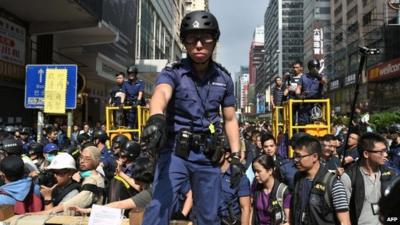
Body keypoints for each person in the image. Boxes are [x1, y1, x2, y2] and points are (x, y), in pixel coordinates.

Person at [140, 10, 243, 225]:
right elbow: (161, 93)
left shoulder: (224, 78)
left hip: (207, 155)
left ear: (214, 41)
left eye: (205, 39)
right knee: (159, 206)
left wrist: (235, 157)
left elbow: (230, 119)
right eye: (191, 38)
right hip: (175, 151)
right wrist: (157, 117)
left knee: (209, 215)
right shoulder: (174, 71)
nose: (198, 45)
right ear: (184, 42)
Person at [291, 135, 351, 225]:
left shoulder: (333, 184)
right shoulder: (298, 178)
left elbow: (345, 222)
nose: (295, 160)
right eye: (294, 156)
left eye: (299, 156)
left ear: (314, 157)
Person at [340, 133, 398, 225]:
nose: (386, 154)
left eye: (386, 151)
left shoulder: (391, 174)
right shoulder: (349, 177)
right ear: (366, 154)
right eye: (381, 152)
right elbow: (342, 212)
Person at [42, 146, 105, 214]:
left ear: (96, 161)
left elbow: (66, 207)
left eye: (87, 159)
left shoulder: (92, 181)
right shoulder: (84, 176)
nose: (82, 161)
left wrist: (47, 198)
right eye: (81, 157)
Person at [252, 154, 291, 225]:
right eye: (254, 171)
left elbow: (288, 221)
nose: (255, 174)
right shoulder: (256, 188)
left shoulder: (283, 191)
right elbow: (252, 211)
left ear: (270, 171)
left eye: (258, 171)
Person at [219, 140, 251, 225]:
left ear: (227, 154)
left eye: (218, 152)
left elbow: (245, 208)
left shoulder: (238, 177)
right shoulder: (208, 173)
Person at [295, 59, 327, 124]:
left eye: (316, 67)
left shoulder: (320, 77)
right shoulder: (303, 77)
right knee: (303, 123)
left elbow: (324, 82)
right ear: (309, 68)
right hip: (305, 103)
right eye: (313, 67)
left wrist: (318, 76)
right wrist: (298, 95)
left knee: (316, 123)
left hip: (316, 104)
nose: (315, 69)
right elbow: (298, 88)